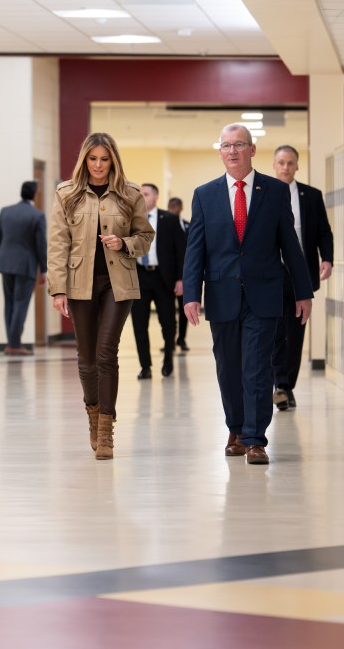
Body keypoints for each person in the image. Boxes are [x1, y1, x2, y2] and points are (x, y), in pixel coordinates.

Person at [181, 124, 312, 465]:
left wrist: (303, 292)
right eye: (226, 146)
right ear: (220, 152)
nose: (233, 151)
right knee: (228, 367)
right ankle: (236, 430)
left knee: (257, 367)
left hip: (265, 293)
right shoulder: (204, 194)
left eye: (239, 145)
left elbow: (291, 247)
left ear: (252, 150)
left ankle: (255, 439)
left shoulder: (274, 191)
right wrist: (191, 294)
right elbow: (195, 250)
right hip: (222, 294)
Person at [48, 132, 152, 460]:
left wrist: (125, 244)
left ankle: (106, 428)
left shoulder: (130, 193)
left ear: (113, 161)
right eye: (92, 159)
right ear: (84, 160)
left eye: (104, 159)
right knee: (87, 359)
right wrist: (58, 288)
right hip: (79, 285)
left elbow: (146, 235)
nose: (98, 165)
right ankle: (93, 415)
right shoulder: (66, 194)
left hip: (118, 284)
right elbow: (57, 244)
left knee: (107, 352)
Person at [270, 144, 333, 410]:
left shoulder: (311, 195)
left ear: (297, 166)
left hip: (300, 274)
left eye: (290, 163)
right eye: (281, 162)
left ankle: (286, 386)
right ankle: (277, 382)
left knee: (295, 331)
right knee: (274, 331)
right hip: (272, 273)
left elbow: (323, 231)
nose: (285, 167)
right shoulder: (264, 193)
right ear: (274, 165)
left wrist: (327, 258)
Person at [130, 183, 185, 379]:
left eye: (145, 194)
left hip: (163, 277)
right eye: (139, 194)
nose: (142, 197)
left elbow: (181, 251)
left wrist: (180, 279)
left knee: (168, 322)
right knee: (139, 324)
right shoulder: (131, 220)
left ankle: (168, 357)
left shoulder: (169, 219)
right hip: (139, 276)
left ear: (155, 196)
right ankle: (145, 366)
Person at [0, 180, 46, 355]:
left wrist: (5, 257)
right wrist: (44, 270)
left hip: (5, 263)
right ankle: (15, 344)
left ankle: (11, 342)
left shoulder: (5, 211)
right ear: (34, 194)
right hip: (26, 265)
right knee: (20, 303)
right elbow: (41, 245)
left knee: (9, 303)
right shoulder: (37, 215)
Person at [167, 196, 191, 353]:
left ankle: (181, 338)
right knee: (168, 311)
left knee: (184, 309)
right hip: (167, 274)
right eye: (172, 206)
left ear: (181, 208)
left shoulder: (187, 226)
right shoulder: (160, 226)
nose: (175, 209)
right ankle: (169, 340)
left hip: (184, 273)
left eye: (177, 206)